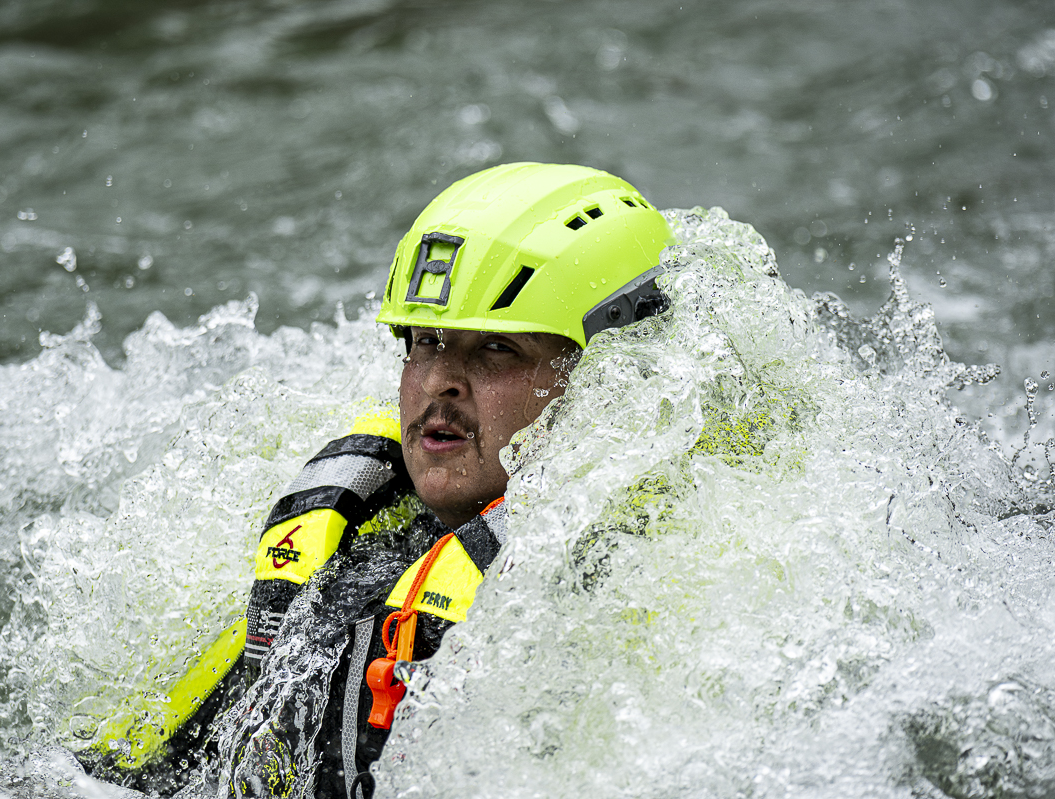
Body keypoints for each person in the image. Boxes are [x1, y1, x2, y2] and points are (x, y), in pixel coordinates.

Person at [80, 162, 676, 798]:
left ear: (611, 376)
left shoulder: (646, 584)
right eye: (426, 341)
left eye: (498, 348)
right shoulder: (356, 546)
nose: (437, 381)